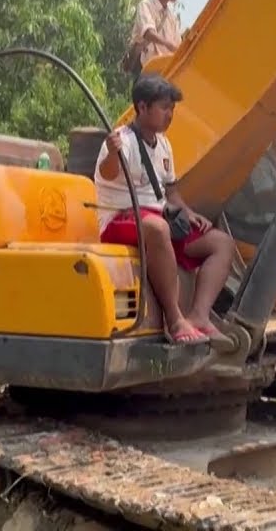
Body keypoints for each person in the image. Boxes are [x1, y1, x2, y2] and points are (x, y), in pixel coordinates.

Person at [95, 74, 236, 348]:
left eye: (172, 108)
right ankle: (175, 319)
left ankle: (199, 316)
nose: (170, 114)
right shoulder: (122, 141)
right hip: (121, 218)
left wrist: (188, 213)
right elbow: (107, 173)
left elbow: (170, 193)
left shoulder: (164, 145)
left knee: (222, 243)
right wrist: (112, 154)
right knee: (158, 228)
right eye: (164, 107)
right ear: (142, 107)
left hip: (157, 218)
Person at [124, 0, 183, 75]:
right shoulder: (146, 5)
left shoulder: (172, 18)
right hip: (146, 70)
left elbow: (178, 47)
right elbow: (148, 33)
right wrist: (168, 44)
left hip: (165, 72)